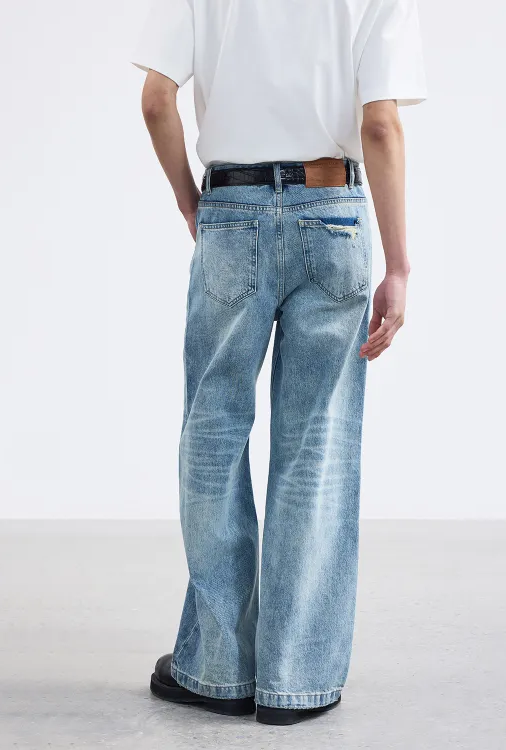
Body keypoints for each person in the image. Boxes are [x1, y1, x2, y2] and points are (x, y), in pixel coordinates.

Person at [131, 0, 426, 726]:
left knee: (213, 434)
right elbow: (380, 124)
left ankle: (219, 670)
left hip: (231, 212)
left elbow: (156, 99)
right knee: (315, 447)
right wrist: (398, 265)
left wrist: (191, 202)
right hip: (334, 211)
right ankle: (297, 678)